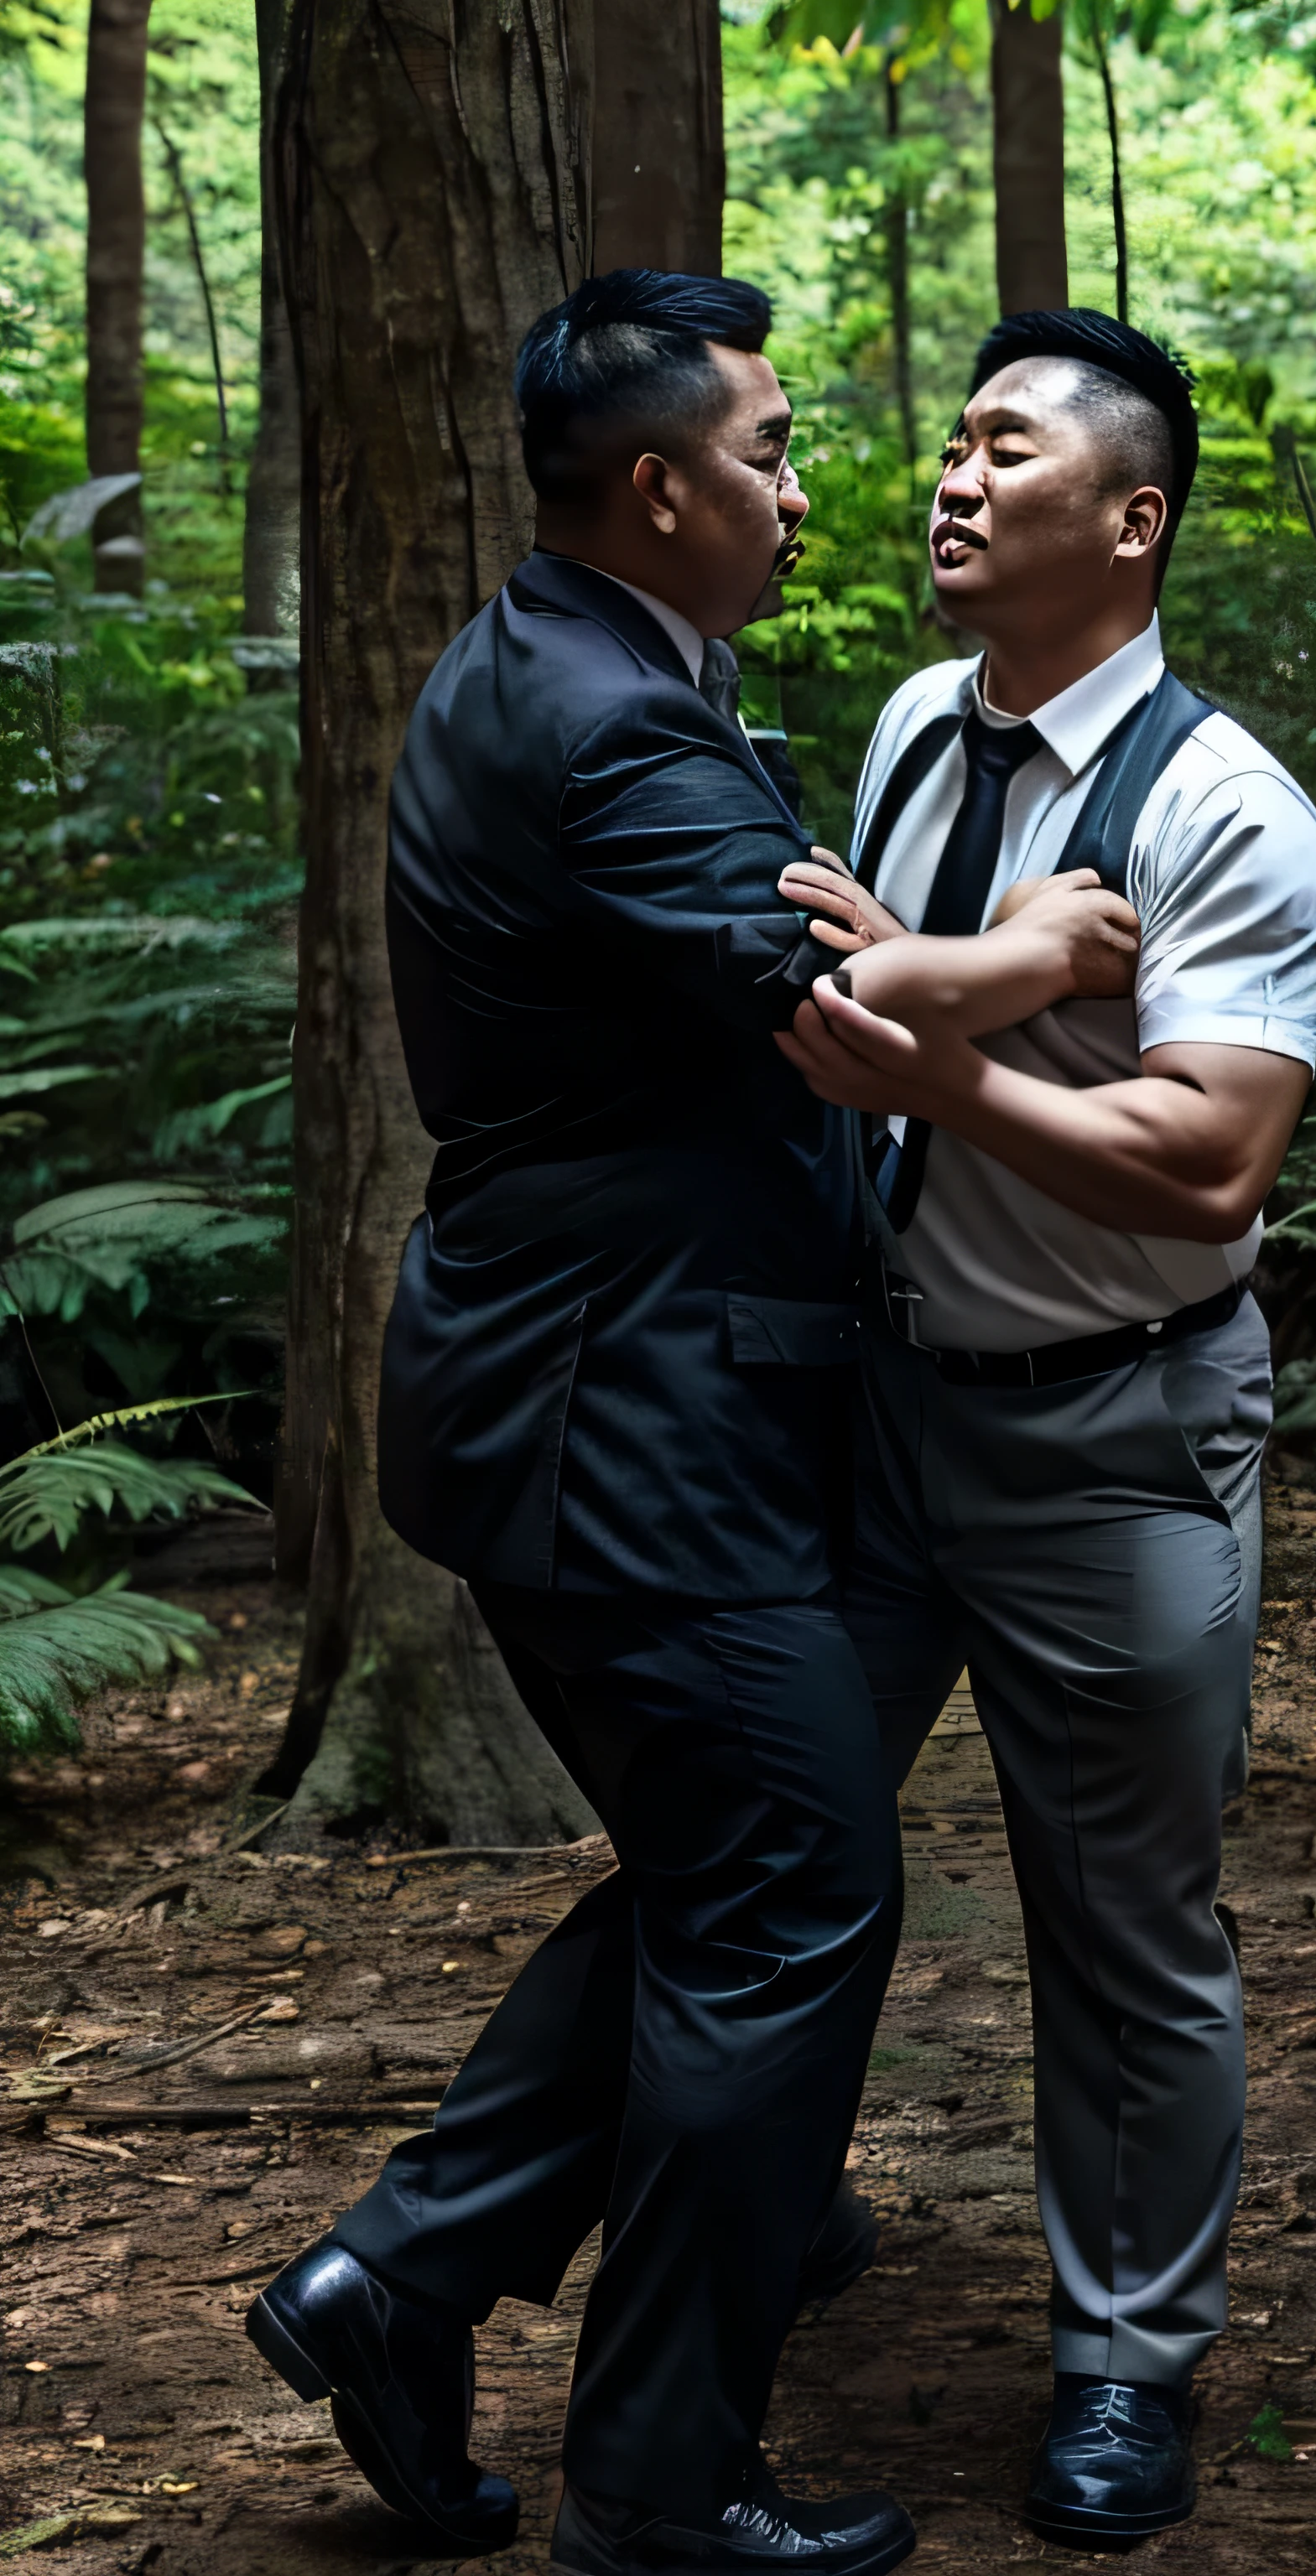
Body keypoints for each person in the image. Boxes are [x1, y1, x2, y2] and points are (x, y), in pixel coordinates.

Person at [245, 270, 1135, 2576]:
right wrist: (1042, 950)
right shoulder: (613, 723)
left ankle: (406, 2278)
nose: (805, 482)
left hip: (614, 1399)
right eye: (766, 448)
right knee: (795, 1900)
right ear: (657, 486)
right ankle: (655, 2475)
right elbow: (830, 1005)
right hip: (622, 1421)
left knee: (737, 1881)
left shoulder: (585, 665)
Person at [772, 307, 1316, 2547]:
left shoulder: (1230, 812)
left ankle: (1126, 2364)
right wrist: (983, 987)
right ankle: (776, 2195)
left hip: (1120, 1439)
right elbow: (843, 977)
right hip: (885, 1402)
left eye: (1002, 449)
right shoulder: (924, 726)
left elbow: (1215, 1167)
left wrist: (958, 1076)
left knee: (1123, 1925)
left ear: (1131, 519)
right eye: (946, 441)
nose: (946, 475)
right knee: (776, 1826)